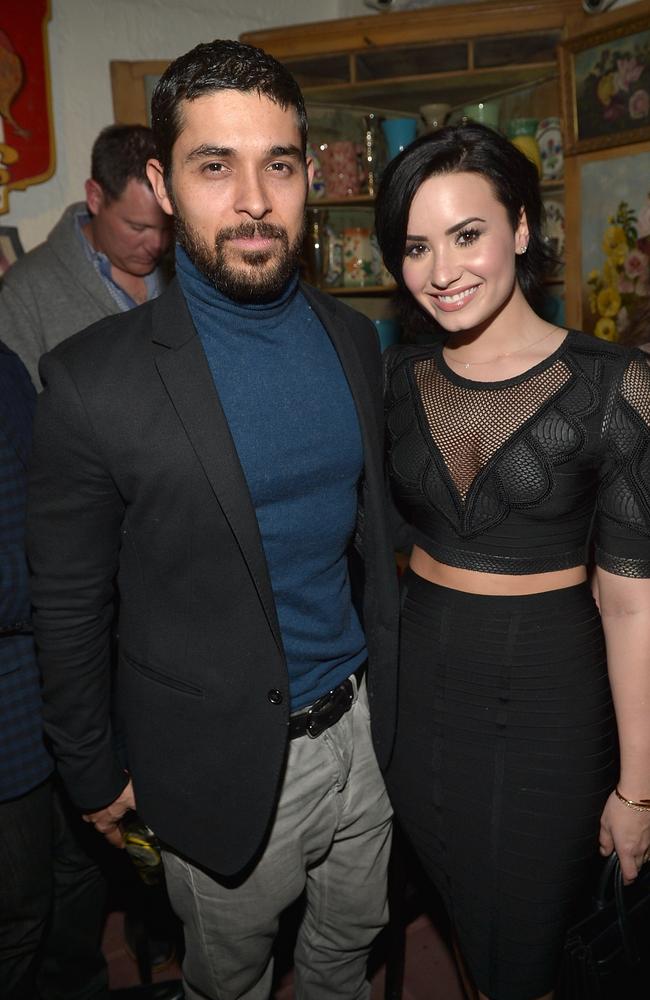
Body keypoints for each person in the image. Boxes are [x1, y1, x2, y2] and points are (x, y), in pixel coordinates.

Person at [27, 38, 398, 1000]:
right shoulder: (92, 378)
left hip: (364, 736)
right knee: (225, 980)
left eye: (277, 164)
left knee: (347, 952)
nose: (252, 198)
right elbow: (68, 602)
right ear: (159, 180)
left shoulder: (355, 339)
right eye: (213, 165)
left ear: (309, 175)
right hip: (218, 767)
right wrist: (93, 773)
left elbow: (376, 545)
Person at [375, 122, 650, 1000]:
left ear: (522, 229)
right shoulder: (397, 379)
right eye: (416, 246)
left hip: (548, 700)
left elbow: (632, 602)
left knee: (528, 942)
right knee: (468, 918)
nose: (441, 270)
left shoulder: (615, 383)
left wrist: (639, 789)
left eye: (466, 234)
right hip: (420, 701)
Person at [0, 123, 172, 389]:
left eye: (168, 227)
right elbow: (21, 417)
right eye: (138, 228)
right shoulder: (23, 293)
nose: (157, 243)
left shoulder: (188, 265)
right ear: (94, 197)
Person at [0, 340, 53, 999]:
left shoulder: (5, 364)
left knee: (80, 871)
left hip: (56, 674)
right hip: (9, 705)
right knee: (18, 912)